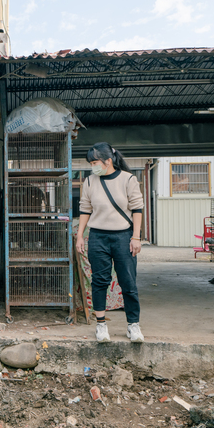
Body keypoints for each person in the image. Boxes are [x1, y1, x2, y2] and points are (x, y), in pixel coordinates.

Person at [76, 142, 145, 343]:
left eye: (95, 162)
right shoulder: (89, 182)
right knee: (100, 281)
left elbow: (137, 209)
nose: (92, 166)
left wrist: (136, 237)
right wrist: (81, 235)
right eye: (90, 163)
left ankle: (133, 325)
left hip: (124, 236)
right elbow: (85, 209)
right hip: (97, 237)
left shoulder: (128, 180)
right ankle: (101, 325)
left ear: (108, 161)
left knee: (128, 282)